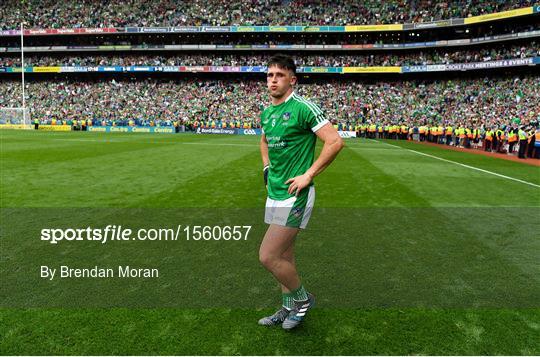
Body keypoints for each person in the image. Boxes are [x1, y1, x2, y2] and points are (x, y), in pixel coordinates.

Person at [258, 54, 343, 330]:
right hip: (275, 191)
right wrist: (266, 168)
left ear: (292, 80)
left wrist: (308, 174)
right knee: (284, 257)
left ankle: (303, 300)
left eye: (279, 75)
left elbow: (334, 142)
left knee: (268, 256)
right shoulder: (267, 111)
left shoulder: (303, 107)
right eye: (270, 75)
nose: (273, 80)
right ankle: (287, 306)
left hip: (296, 194)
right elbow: (263, 140)